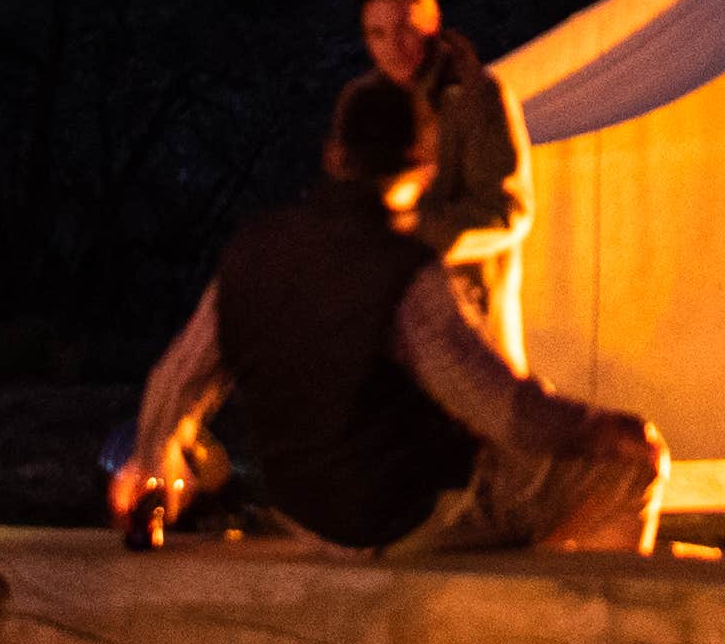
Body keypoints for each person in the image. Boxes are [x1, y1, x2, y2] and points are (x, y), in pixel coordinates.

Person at [113, 77, 660, 555]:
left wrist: (149, 466)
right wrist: (599, 427)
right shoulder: (404, 272)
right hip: (394, 517)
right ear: (426, 160)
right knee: (631, 462)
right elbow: (504, 414)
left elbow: (174, 379)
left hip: (303, 514)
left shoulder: (252, 250)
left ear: (334, 154)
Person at [355, 0, 533, 356]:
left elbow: (508, 212)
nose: (393, 47)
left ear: (432, 23)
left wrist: (414, 237)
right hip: (387, 324)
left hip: (470, 323)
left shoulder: (477, 98)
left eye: (405, 29)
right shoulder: (363, 105)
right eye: (377, 34)